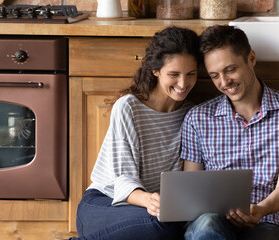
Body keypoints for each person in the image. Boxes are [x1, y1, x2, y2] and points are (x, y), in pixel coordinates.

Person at [180, 25, 279, 240]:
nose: (224, 83)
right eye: (215, 76)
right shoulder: (197, 118)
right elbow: (192, 189)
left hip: (268, 218)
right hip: (213, 218)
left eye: (230, 70)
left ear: (251, 59)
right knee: (206, 227)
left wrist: (260, 209)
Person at [70, 26, 200, 240]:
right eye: (174, 74)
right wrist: (150, 200)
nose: (183, 84)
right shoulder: (129, 107)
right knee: (162, 228)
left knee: (175, 227)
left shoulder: (192, 115)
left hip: (155, 210)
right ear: (155, 70)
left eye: (191, 74)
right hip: (105, 204)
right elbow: (124, 181)